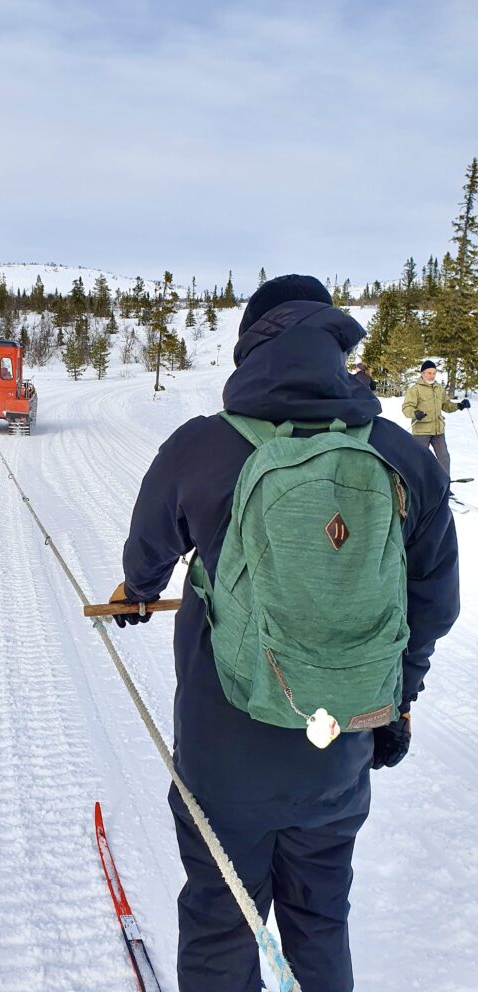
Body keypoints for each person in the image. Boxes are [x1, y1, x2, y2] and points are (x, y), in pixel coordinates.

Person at [110, 275, 459, 992]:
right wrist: (397, 700)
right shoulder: (401, 453)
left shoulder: (199, 448)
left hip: (224, 751)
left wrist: (138, 595)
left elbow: (144, 559)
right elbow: (435, 604)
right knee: (321, 920)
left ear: (250, 352)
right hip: (339, 749)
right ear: (335, 346)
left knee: (221, 922)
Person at [401, 360, 470, 479]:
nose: (431, 376)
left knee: (444, 458)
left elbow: (446, 405)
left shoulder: (439, 388)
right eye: (429, 373)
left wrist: (459, 405)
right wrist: (415, 413)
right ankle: (418, 486)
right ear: (422, 373)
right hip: (421, 431)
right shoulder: (415, 389)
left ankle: (444, 484)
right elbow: (406, 408)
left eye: (433, 373)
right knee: (419, 460)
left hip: (438, 430)